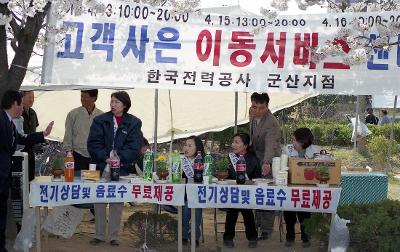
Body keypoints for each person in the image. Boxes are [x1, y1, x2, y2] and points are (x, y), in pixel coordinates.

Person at [87, 91, 143, 247]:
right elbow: (93, 143)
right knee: (99, 200)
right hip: (100, 165)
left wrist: (119, 158)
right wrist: (106, 157)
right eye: (111, 101)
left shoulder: (134, 122)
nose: (113, 104)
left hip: (121, 166)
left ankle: (113, 236)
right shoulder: (100, 120)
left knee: (116, 201)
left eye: (117, 102)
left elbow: (134, 146)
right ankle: (98, 235)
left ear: (125, 105)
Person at [0, 90, 53, 251]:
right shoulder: (1, 120)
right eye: (22, 105)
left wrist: (42, 134)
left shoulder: (9, 122)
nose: (23, 109)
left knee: (2, 214)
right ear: (15, 104)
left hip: (4, 176)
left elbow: (22, 139)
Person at [249, 92, 281, 240]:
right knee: (257, 192)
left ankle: (267, 229)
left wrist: (267, 162)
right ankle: (257, 224)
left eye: (262, 108)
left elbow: (270, 145)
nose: (258, 111)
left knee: (268, 194)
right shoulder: (251, 112)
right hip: (257, 157)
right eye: (255, 107)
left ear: (267, 106)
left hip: (271, 159)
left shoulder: (272, 122)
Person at [282, 128, 320, 248]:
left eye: (295, 140)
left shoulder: (316, 151)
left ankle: (305, 237)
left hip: (307, 189)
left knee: (304, 213)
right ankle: (290, 236)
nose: (292, 143)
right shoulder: (287, 150)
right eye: (292, 140)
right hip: (290, 187)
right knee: (289, 211)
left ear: (304, 141)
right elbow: (282, 167)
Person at [223, 133, 261, 249]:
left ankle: (252, 238)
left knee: (247, 211)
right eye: (233, 142)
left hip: (247, 194)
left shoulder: (253, 159)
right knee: (232, 211)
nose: (233, 144)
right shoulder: (230, 158)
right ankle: (228, 238)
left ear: (245, 146)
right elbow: (226, 175)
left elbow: (257, 178)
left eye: (237, 142)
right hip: (232, 193)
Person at [64, 90, 103, 171]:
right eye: (81, 96)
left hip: (96, 156)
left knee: (95, 181)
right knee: (77, 181)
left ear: (94, 98)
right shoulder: (73, 114)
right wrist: (68, 152)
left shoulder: (101, 116)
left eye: (85, 96)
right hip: (77, 155)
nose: (82, 99)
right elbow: (68, 135)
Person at [181, 136, 204, 246]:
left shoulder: (202, 161)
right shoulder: (180, 161)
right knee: (184, 215)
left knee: (196, 214)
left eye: (190, 146)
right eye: (185, 145)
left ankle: (195, 236)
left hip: (197, 196)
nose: (186, 148)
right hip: (183, 195)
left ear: (197, 148)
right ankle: (184, 235)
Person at [21, 90, 39, 181]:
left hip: (31, 152)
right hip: (21, 153)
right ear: (22, 98)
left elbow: (35, 128)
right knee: (23, 180)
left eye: (33, 97)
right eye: (29, 97)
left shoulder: (33, 113)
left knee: (31, 179)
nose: (32, 99)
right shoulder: (18, 113)